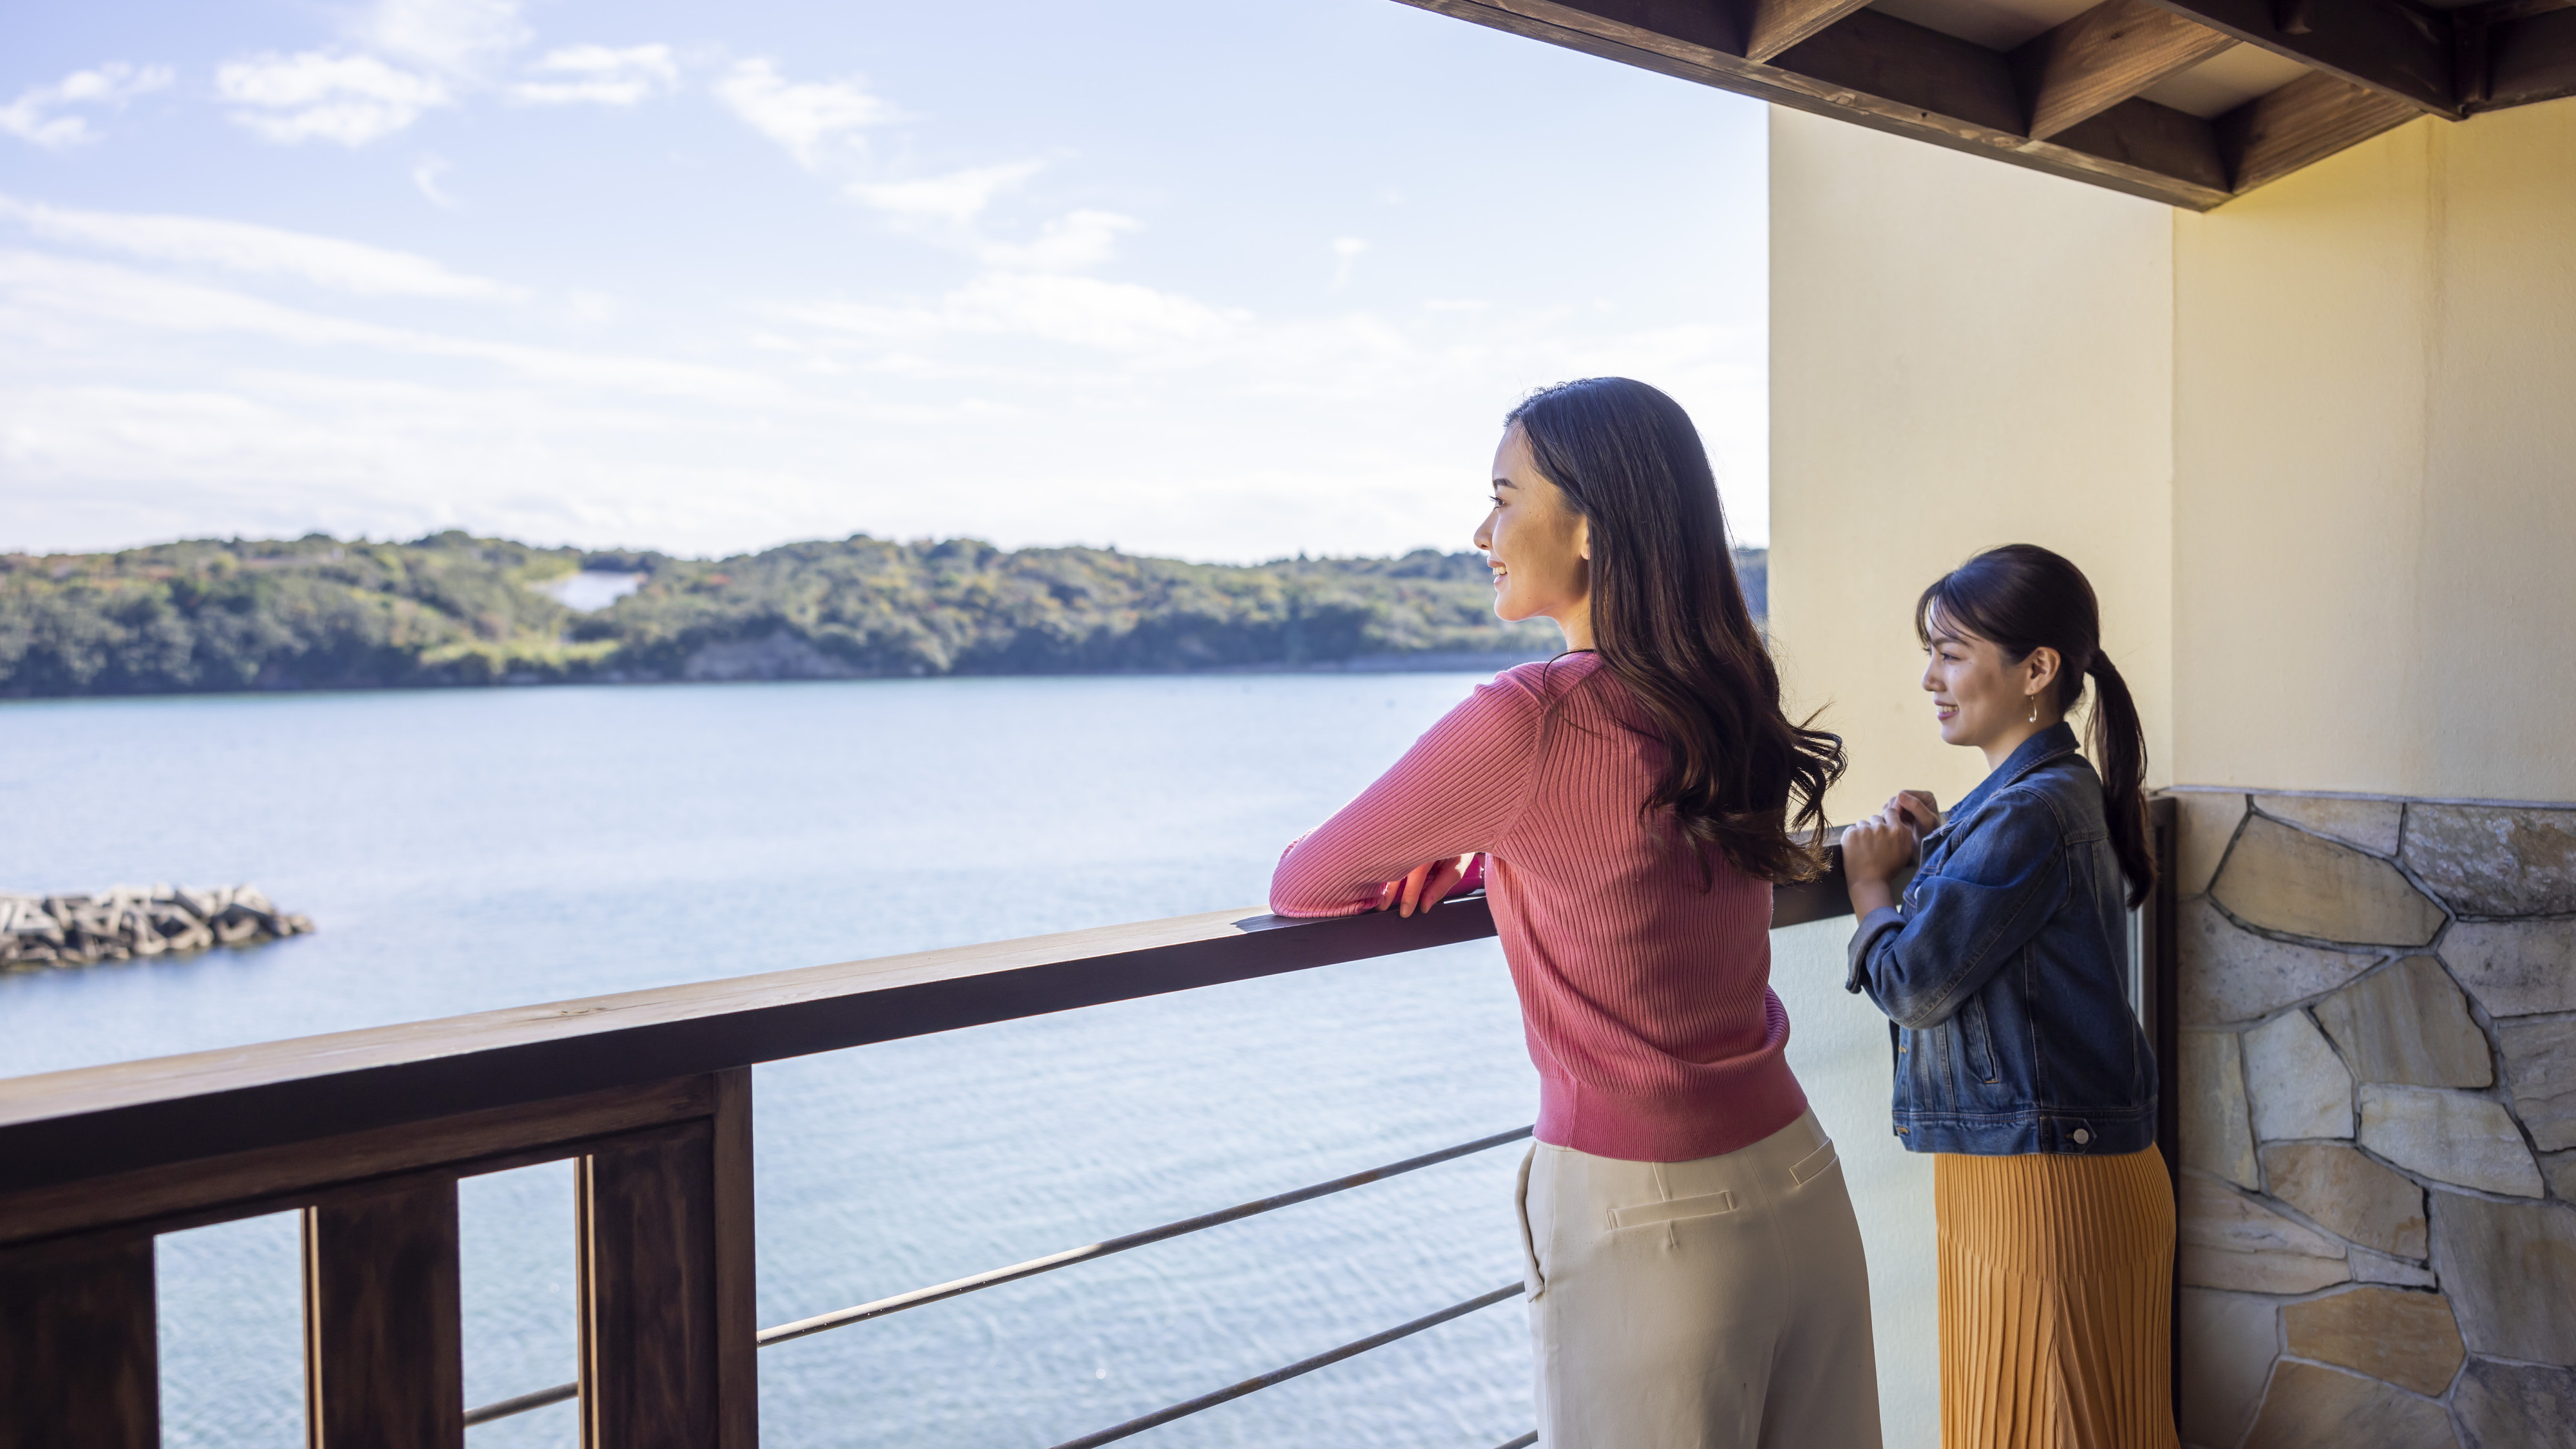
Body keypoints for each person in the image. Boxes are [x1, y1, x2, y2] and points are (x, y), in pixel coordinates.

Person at [1271, 377, 1881, 1449]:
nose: (1481, 531)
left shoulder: (1530, 721)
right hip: (1801, 1179)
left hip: (1650, 1223)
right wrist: (1499, 849)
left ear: (1589, 524)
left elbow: (1305, 880)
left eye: (1503, 497)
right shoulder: (1724, 695)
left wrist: (1472, 848)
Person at [1839, 544, 2177, 1449]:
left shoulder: (2029, 812)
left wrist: (1872, 889)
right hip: (2052, 1170)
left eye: (1952, 652)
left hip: (2043, 1188)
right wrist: (1941, 840)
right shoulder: (2045, 796)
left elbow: (1912, 984)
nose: (1929, 677)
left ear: (2037, 670)